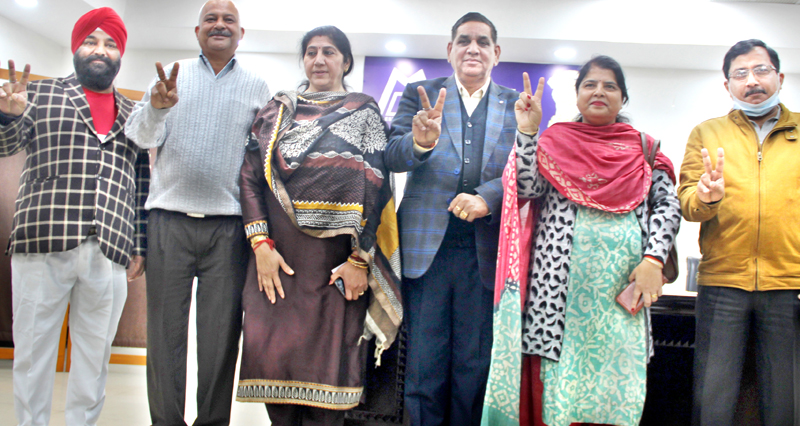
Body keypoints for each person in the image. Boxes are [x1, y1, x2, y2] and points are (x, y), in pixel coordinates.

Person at [233, 25, 401, 426]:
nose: (319, 59)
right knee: (277, 376)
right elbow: (250, 177)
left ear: (346, 61)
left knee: (330, 390)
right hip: (276, 260)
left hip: (336, 267)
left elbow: (376, 186)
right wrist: (260, 246)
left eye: (329, 52)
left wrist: (360, 261)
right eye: (311, 52)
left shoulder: (363, 111)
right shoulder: (276, 112)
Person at [510, 56, 680, 426]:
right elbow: (524, 188)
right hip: (559, 299)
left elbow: (668, 207)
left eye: (609, 86)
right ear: (577, 94)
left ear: (623, 97)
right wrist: (528, 133)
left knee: (616, 390)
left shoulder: (644, 149)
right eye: (590, 84)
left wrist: (653, 259)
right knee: (558, 396)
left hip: (622, 295)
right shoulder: (554, 141)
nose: (599, 92)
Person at [0, 8, 149, 426]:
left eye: (110, 43)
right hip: (41, 243)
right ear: (75, 48)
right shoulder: (42, 94)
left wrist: (139, 244)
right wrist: (7, 115)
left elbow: (140, 180)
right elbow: (5, 144)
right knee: (32, 354)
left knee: (94, 356)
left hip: (109, 248)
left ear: (120, 55)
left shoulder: (133, 113)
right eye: (91, 41)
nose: (99, 50)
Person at [123, 1, 270, 424]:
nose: (219, 25)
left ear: (241, 34)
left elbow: (264, 163)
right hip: (169, 222)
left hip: (229, 228)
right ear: (197, 30)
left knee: (220, 339)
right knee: (164, 336)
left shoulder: (259, 88)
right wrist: (157, 107)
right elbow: (138, 135)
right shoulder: (171, 75)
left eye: (229, 20)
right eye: (211, 19)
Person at [383, 12, 518, 426]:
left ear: (496, 53)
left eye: (481, 41)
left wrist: (487, 197)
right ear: (450, 50)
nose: (472, 48)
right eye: (463, 41)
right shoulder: (419, 94)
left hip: (485, 253)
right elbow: (390, 154)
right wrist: (419, 144)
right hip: (427, 252)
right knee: (423, 366)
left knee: (473, 370)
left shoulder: (517, 104)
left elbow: (524, 169)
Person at [678, 39, 799, 426]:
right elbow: (687, 204)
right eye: (740, 74)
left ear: (779, 78)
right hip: (723, 281)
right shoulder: (707, 133)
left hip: (789, 283)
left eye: (761, 70)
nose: (752, 81)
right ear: (727, 85)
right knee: (713, 396)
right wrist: (706, 198)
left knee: (787, 398)